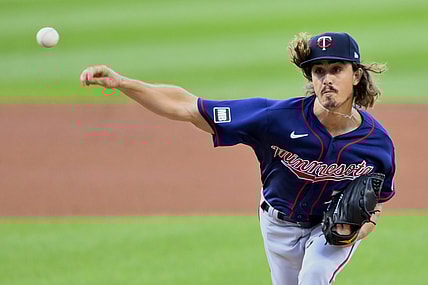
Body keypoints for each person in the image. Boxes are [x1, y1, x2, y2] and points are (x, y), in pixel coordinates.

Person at [79, 32, 396, 285]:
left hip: (327, 232)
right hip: (278, 224)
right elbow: (189, 106)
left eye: (336, 69)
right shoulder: (277, 118)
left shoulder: (376, 144)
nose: (326, 79)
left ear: (356, 76)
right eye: (318, 70)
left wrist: (356, 230)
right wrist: (122, 83)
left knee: (314, 276)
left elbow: (377, 202)